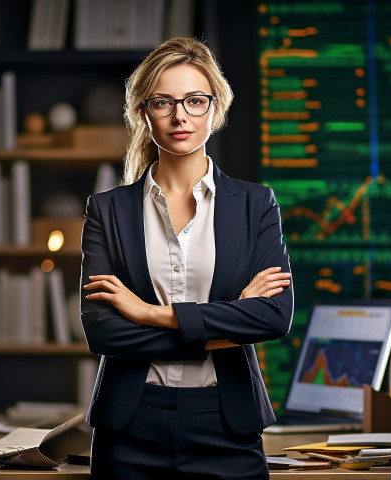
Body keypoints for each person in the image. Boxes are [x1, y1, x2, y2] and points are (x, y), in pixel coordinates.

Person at [80, 37, 293, 480]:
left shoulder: (256, 205)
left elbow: (273, 317)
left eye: (195, 101)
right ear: (143, 113)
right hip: (129, 426)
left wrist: (151, 314)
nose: (180, 116)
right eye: (163, 102)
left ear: (215, 110)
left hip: (226, 423)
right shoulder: (108, 209)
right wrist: (229, 320)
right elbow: (105, 333)